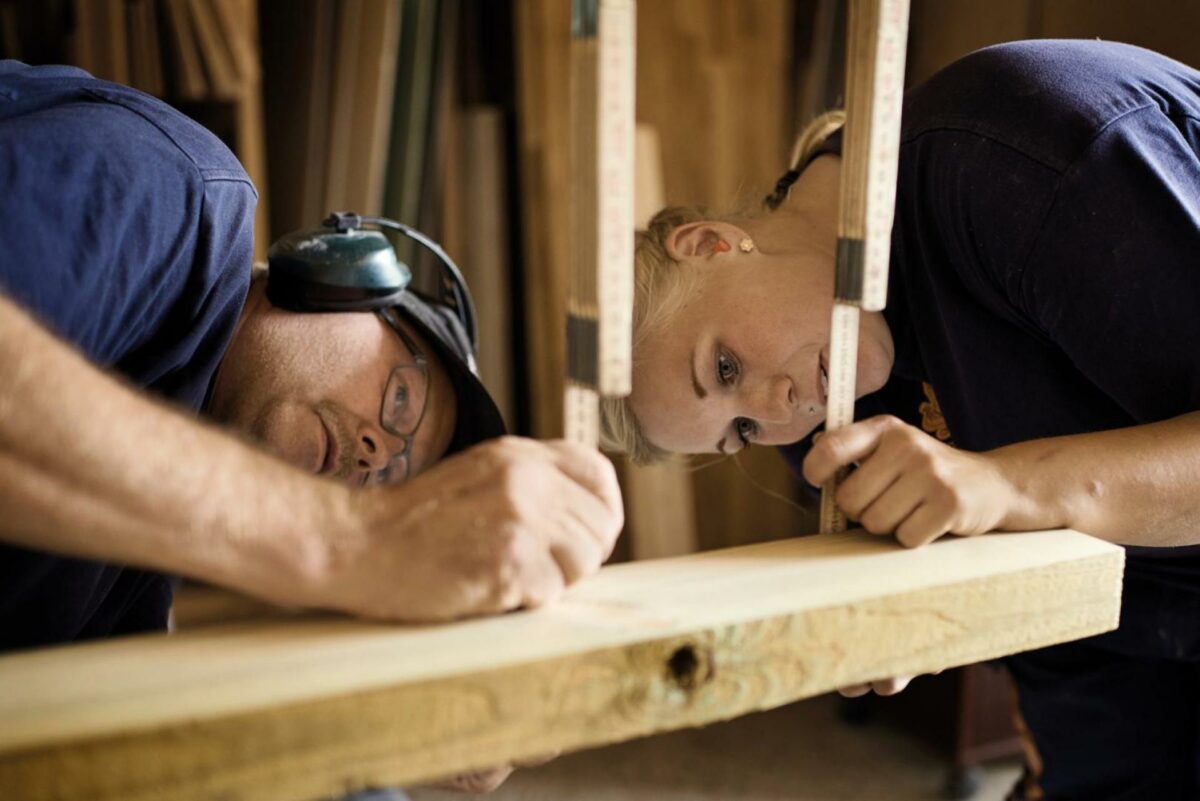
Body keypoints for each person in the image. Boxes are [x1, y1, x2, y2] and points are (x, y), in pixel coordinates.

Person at [601, 39, 1200, 801]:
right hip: (1126, 613)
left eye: (724, 367)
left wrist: (1008, 486)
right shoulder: (826, 410)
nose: (775, 408)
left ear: (712, 244)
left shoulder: (1010, 155)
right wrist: (920, 604)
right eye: (739, 432)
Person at [0, 60, 622, 790]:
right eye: (400, 400)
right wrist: (358, 538)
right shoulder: (177, 190)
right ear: (339, 281)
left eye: (396, 475)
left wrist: (386, 721)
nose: (374, 454)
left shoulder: (140, 545)